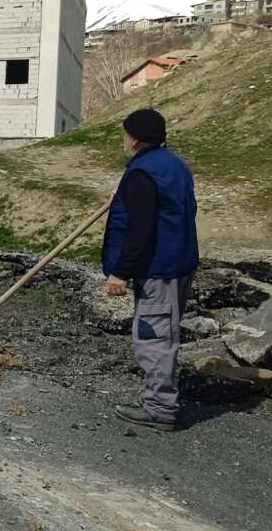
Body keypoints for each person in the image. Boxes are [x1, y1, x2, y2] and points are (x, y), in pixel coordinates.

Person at [102, 108, 199, 431]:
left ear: (135, 138)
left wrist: (120, 272)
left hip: (159, 268)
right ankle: (160, 402)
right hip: (180, 263)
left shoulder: (143, 173)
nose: (123, 138)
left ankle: (160, 409)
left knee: (154, 337)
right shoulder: (175, 165)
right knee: (164, 332)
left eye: (125, 133)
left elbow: (139, 229)